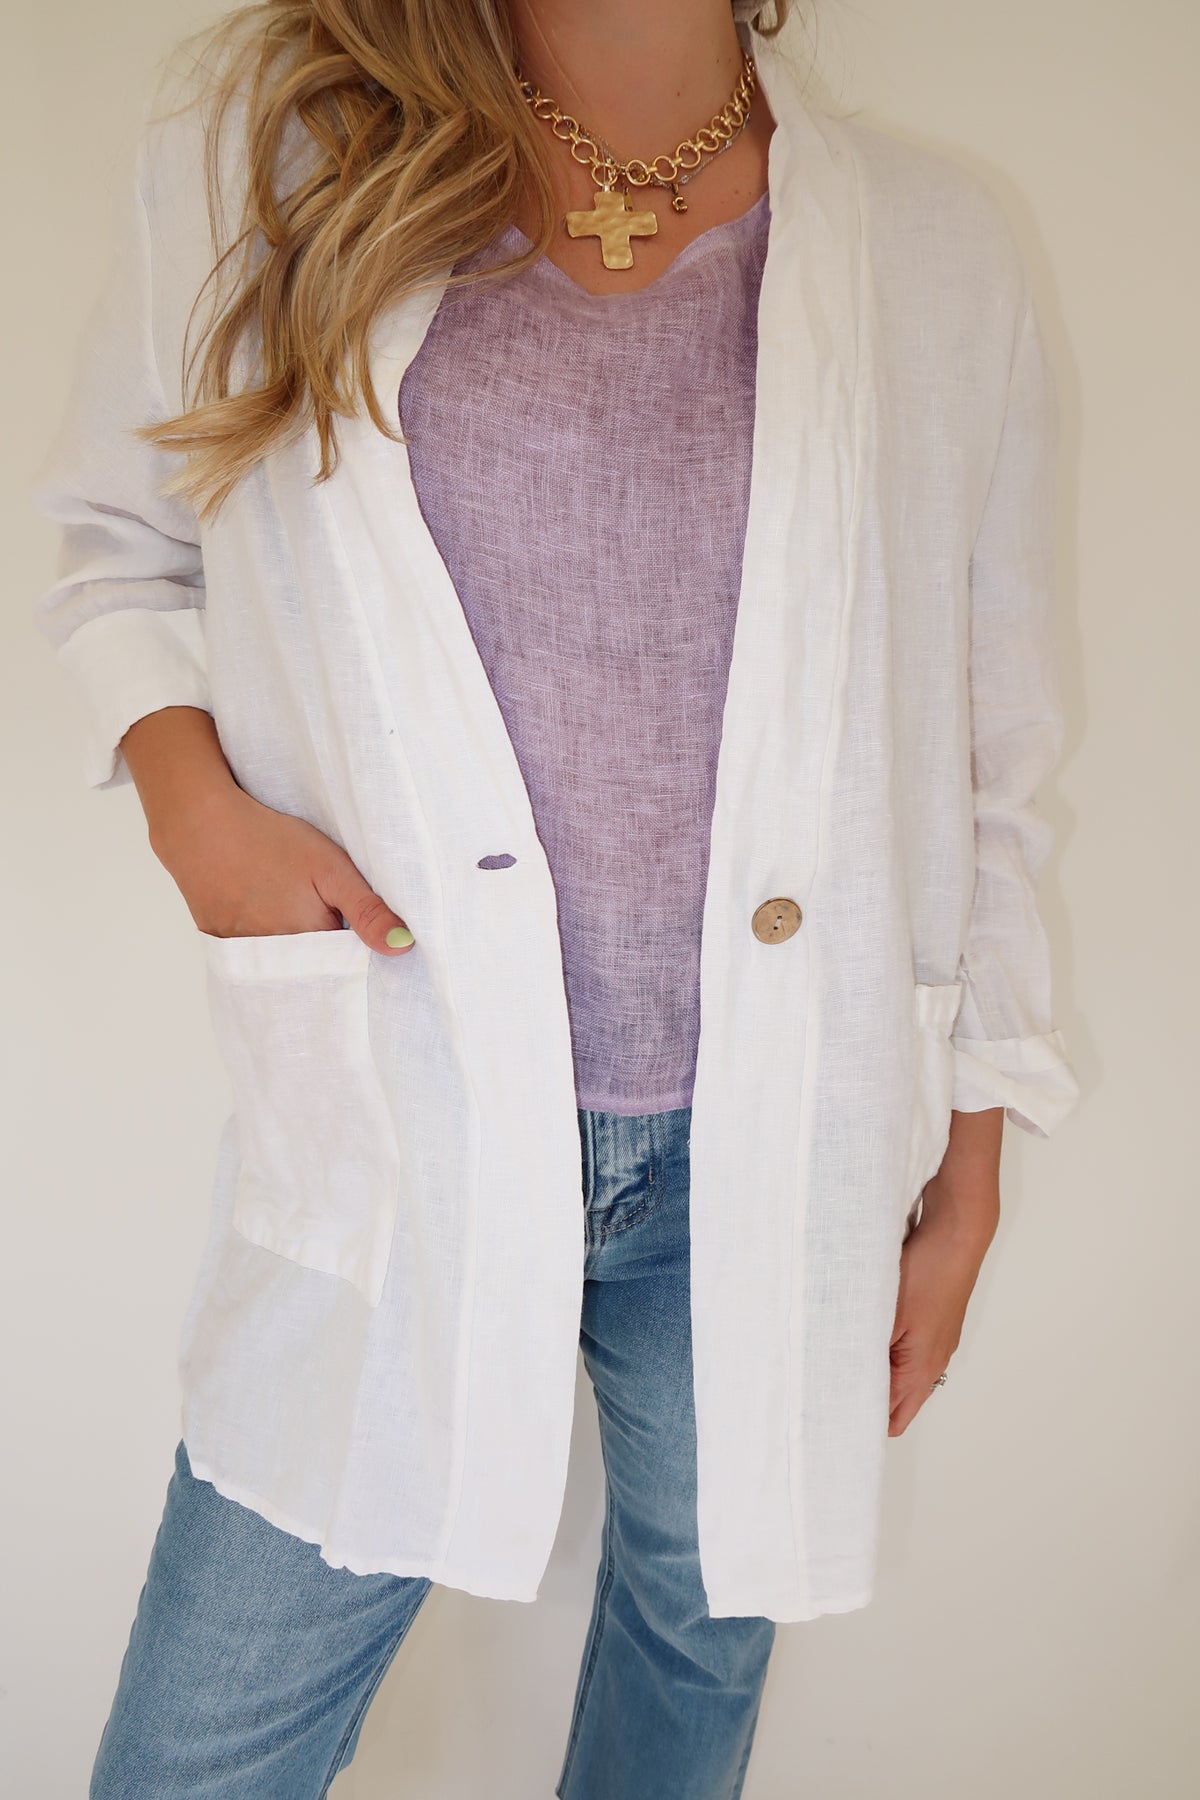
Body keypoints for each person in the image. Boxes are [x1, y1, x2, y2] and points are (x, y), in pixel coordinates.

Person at [27, 0, 1082, 1794]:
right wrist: (194, 815)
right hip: (401, 1110)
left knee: (692, 1650)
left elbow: (995, 742)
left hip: (779, 1146)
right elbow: (119, 548)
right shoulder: (274, 158)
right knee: (198, 1749)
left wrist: (974, 1150)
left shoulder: (936, 248)